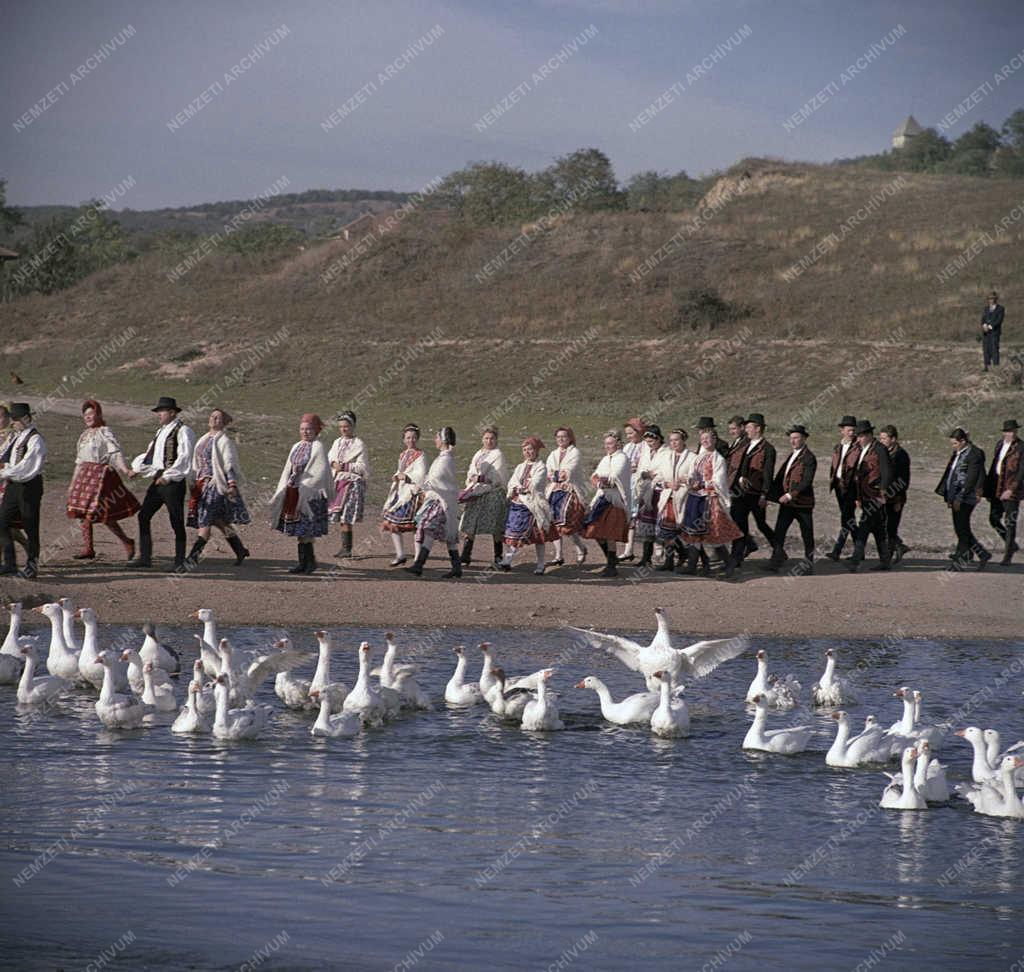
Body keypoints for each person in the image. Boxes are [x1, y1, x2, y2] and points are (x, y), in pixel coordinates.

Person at [128, 396, 196, 571]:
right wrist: (138, 469)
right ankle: (145, 557)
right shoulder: (160, 432)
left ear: (172, 412)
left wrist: (169, 476)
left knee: (176, 521)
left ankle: (180, 561)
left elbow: (185, 458)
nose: (159, 414)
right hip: (158, 481)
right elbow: (152, 456)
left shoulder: (183, 431)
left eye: (162, 411)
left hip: (172, 483)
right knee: (144, 515)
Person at [66, 399, 139, 561]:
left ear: (98, 414)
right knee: (83, 512)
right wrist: (73, 484)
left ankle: (126, 541)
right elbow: (79, 461)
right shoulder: (84, 435)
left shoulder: (104, 431)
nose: (88, 417)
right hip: (85, 476)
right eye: (85, 415)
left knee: (102, 513)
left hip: (100, 476)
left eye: (91, 414)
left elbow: (114, 453)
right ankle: (88, 548)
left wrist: (125, 469)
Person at [185, 408, 251, 567]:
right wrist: (193, 479)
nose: (214, 420)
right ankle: (240, 549)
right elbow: (196, 463)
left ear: (223, 423)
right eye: (212, 416)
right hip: (202, 485)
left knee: (205, 520)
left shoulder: (224, 441)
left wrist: (231, 484)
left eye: (218, 418)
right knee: (219, 521)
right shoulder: (203, 439)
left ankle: (193, 557)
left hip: (216, 485)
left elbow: (229, 464)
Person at [268, 413, 332, 574]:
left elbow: (320, 470)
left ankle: (310, 562)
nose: (305, 432)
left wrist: (306, 483)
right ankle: (303, 562)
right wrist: (288, 482)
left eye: (309, 429)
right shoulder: (296, 446)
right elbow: (288, 468)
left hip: (309, 495)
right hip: (294, 491)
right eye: (303, 429)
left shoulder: (318, 446)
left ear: (316, 430)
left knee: (306, 529)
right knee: (299, 530)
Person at [406, 426, 461, 578]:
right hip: (439, 499)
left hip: (443, 500)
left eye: (437, 437)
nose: (434, 440)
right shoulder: (443, 457)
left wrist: (420, 484)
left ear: (443, 440)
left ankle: (419, 564)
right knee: (445, 534)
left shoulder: (445, 459)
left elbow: (436, 479)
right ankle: (456, 567)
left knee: (429, 527)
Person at [0, 403, 47, 578]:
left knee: (30, 526)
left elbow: (26, 468)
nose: (12, 423)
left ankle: (32, 566)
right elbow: (8, 459)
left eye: (15, 420)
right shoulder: (16, 438)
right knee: (2, 521)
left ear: (25, 419)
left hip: (29, 486)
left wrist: (3, 472)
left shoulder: (36, 440)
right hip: (13, 485)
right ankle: (10, 563)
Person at [499, 436, 555, 575]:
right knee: (513, 532)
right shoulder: (520, 467)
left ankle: (541, 564)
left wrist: (521, 488)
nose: (527, 452)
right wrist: (517, 488)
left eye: (530, 449)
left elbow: (535, 485)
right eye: (525, 450)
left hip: (534, 505)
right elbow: (512, 482)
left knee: (538, 536)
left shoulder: (541, 467)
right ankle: (507, 560)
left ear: (536, 450)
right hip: (518, 504)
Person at [728, 412, 776, 572]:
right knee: (739, 524)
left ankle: (778, 549)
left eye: (749, 427)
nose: (746, 429)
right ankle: (736, 558)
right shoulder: (745, 445)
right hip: (741, 493)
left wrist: (765, 494)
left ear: (758, 428)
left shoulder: (768, 449)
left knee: (761, 524)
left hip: (756, 494)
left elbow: (768, 474)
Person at [935, 427, 989, 570]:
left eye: (955, 443)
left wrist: (960, 497)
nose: (953, 446)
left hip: (966, 497)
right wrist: (949, 496)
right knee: (961, 528)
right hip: (956, 496)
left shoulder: (974, 454)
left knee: (962, 529)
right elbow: (951, 474)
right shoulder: (958, 453)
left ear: (963, 441)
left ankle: (961, 559)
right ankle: (981, 553)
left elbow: (971, 479)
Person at [582, 430, 632, 578]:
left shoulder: (622, 458)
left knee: (609, 533)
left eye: (610, 443)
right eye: (606, 444)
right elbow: (595, 476)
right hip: (603, 497)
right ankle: (611, 559)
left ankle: (611, 566)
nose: (607, 446)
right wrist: (598, 480)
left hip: (616, 500)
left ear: (618, 443)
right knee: (595, 530)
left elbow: (614, 477)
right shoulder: (605, 459)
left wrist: (601, 480)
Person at [767, 425, 816, 573]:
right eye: (791, 438)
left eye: (796, 438)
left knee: (807, 534)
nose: (793, 441)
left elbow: (806, 481)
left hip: (803, 504)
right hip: (788, 505)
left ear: (804, 439)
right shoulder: (792, 455)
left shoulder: (809, 458)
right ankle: (776, 561)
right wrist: (769, 497)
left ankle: (809, 564)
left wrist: (789, 495)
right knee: (779, 532)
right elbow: (781, 477)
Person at [458, 426, 508, 567]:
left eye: (492, 438)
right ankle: (466, 555)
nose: (489, 441)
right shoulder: (478, 453)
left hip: (493, 493)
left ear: (496, 439)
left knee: (495, 525)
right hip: (476, 492)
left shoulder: (498, 455)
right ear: (482, 439)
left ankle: (498, 556)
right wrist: (472, 478)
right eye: (486, 438)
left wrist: (482, 478)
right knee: (470, 521)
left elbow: (498, 477)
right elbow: (471, 470)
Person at [380, 424, 429, 567]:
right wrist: (396, 476)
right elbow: (399, 471)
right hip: (401, 493)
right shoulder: (403, 455)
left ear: (417, 438)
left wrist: (406, 476)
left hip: (414, 493)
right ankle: (400, 554)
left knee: (415, 526)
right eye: (408, 437)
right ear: (404, 439)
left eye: (414, 437)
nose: (411, 440)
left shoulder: (421, 455)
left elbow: (422, 474)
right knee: (392, 523)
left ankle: (418, 559)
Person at [848, 420, 892, 573]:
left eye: (860, 436)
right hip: (866, 495)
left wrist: (883, 491)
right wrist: (859, 497)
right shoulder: (863, 450)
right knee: (878, 529)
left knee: (864, 527)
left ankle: (855, 560)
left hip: (875, 496)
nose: (858, 439)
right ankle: (885, 560)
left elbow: (887, 472)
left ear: (868, 435)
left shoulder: (879, 449)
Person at [326, 410, 369, 560]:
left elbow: (363, 467)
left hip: (352, 484)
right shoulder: (337, 442)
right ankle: (345, 548)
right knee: (339, 515)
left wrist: (344, 467)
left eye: (346, 426)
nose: (344, 429)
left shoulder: (359, 444)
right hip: (338, 482)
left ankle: (347, 548)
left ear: (352, 426)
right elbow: (330, 457)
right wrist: (333, 463)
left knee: (346, 516)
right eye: (341, 427)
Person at [653, 428, 697, 572]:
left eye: (676, 440)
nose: (674, 443)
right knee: (667, 532)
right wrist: (666, 484)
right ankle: (669, 560)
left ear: (683, 440)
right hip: (668, 498)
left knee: (688, 531)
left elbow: (694, 477)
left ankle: (696, 562)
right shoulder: (666, 457)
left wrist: (684, 481)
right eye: (671, 440)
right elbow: (658, 477)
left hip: (685, 498)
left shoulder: (692, 457)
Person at [545, 426, 588, 567]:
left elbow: (569, 470)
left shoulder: (575, 452)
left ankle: (580, 547)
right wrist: (554, 478)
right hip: (554, 490)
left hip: (571, 489)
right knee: (552, 522)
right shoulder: (553, 454)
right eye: (558, 437)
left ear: (570, 438)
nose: (561, 439)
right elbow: (549, 471)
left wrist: (557, 476)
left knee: (567, 524)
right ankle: (558, 555)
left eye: (564, 436)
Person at [984, 419, 1022, 565]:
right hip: (997, 486)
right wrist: (988, 490)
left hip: (1011, 488)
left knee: (1010, 521)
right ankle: (1011, 544)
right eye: (1007, 431)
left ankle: (1007, 555)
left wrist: (1011, 489)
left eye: (1012, 431)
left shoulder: (1021, 447)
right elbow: (994, 466)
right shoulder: (999, 444)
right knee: (993, 518)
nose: (1010, 434)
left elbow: (1021, 471)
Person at [633, 425, 668, 568]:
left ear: (659, 439)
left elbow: (665, 471)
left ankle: (667, 556)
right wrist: (643, 475)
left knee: (662, 525)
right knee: (647, 526)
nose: (650, 443)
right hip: (647, 492)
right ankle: (646, 558)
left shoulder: (666, 453)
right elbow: (641, 469)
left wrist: (653, 475)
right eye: (647, 441)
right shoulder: (646, 452)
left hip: (659, 492)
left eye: (652, 440)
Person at [0, 402, 30, 569]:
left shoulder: (13, 437)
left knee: (5, 523)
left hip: (6, 483)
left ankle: (23, 551)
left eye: (1, 417)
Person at [827, 416, 860, 561]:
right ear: (842, 431)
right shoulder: (838, 446)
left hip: (851, 487)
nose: (852, 433)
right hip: (839, 486)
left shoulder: (858, 447)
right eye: (849, 430)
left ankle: (837, 550)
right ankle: (859, 550)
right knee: (849, 519)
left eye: (853, 430)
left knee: (846, 518)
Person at [878, 424, 910, 563]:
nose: (882, 441)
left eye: (884, 438)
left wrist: (898, 499)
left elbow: (903, 479)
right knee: (883, 526)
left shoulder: (901, 455)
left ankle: (888, 558)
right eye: (880, 438)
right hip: (883, 497)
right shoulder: (883, 452)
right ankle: (898, 547)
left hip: (895, 497)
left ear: (893, 439)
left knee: (891, 527)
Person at [619, 417, 646, 562]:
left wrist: (635, 467)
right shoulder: (628, 447)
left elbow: (645, 464)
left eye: (631, 433)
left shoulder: (645, 446)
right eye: (627, 434)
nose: (629, 436)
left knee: (639, 517)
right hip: (628, 483)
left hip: (639, 483)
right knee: (630, 517)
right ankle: (628, 549)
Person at [981, 291, 1004, 372]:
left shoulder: (1000, 308)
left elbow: (999, 320)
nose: (991, 300)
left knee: (994, 349)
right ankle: (986, 366)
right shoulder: (986, 308)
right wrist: (984, 326)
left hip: (994, 332)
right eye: (989, 298)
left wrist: (990, 327)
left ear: (996, 299)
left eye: (992, 298)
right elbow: (983, 319)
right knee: (986, 349)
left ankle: (996, 367)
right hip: (986, 332)